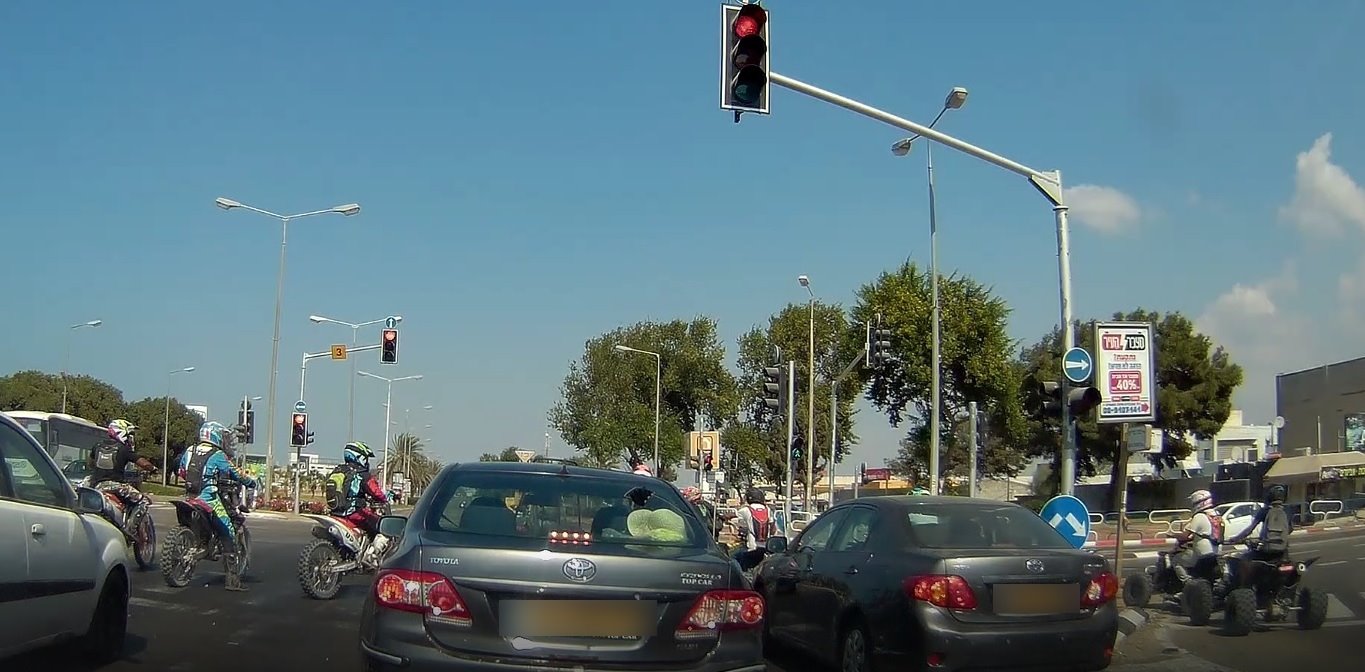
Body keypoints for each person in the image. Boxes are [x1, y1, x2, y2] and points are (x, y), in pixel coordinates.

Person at [178, 420, 258, 592]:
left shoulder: (190, 450)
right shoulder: (218, 455)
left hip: (189, 498)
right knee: (228, 531)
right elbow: (235, 474)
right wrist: (251, 482)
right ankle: (232, 581)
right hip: (208, 500)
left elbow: (182, 472)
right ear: (215, 435)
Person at [324, 441, 391, 566]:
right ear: (358, 457)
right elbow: (376, 492)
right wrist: (384, 499)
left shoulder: (338, 470)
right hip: (355, 512)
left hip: (336, 512)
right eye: (365, 458)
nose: (366, 461)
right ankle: (371, 557)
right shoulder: (362, 474)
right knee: (382, 527)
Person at [87, 419, 159, 536]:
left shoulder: (97, 446)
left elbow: (90, 463)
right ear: (121, 432)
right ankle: (130, 531)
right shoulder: (123, 449)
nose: (130, 438)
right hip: (115, 486)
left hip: (96, 485)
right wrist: (153, 469)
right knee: (144, 501)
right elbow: (143, 463)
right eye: (129, 434)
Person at [1224, 484, 1292, 590]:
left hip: (1265, 553)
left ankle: (1244, 589)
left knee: (1241, 560)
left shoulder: (1264, 511)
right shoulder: (1288, 511)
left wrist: (1235, 539)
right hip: (1283, 553)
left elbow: (1249, 529)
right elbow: (1290, 529)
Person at [1172, 489, 1223, 582]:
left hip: (1202, 553)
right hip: (1217, 551)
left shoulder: (1199, 516)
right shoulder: (1217, 514)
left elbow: (1185, 535)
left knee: (1176, 560)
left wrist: (1172, 535)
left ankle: (1187, 583)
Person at [734, 487, 777, 551]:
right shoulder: (768, 510)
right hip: (766, 547)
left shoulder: (745, 510)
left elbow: (739, 525)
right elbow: (773, 529)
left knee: (734, 556)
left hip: (752, 547)